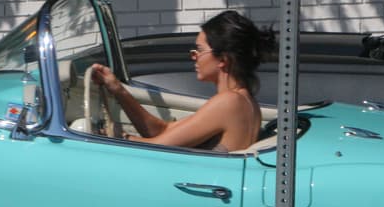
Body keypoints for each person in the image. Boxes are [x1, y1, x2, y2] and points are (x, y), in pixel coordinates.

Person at [90, 11, 277, 152]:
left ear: (223, 59)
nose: (193, 56)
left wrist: (116, 136)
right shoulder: (244, 100)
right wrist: (118, 90)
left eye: (199, 50)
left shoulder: (230, 102)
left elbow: (158, 147)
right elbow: (161, 131)